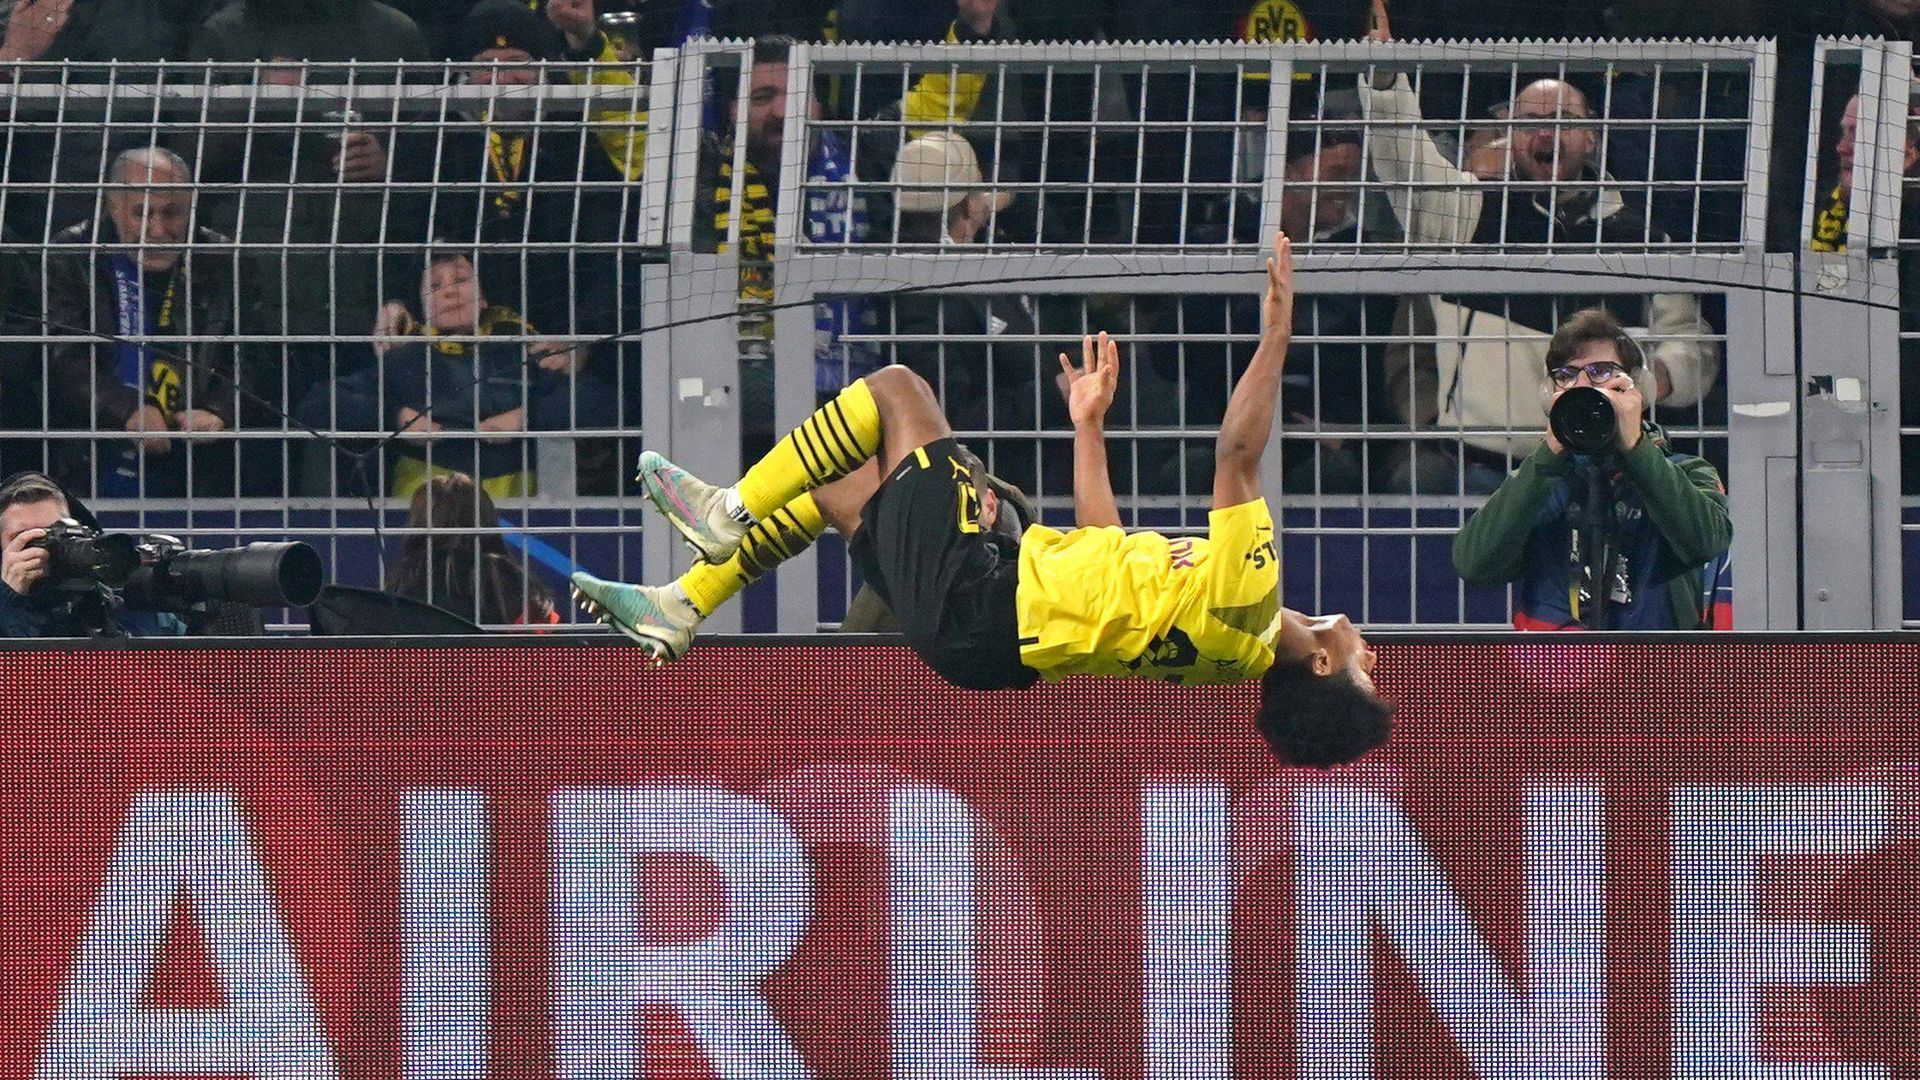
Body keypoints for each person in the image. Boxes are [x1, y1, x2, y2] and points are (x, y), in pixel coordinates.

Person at [574, 233, 1395, 768]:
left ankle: (727, 514)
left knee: (899, 393)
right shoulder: (1223, 649)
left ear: (1322, 663)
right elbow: (1104, 543)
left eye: (1365, 674)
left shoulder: (1251, 607)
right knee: (837, 484)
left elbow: (1237, 454)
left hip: (990, 602)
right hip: (988, 634)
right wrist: (1088, 426)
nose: (1372, 655)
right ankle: (684, 602)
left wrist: (1279, 329)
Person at [1361, 0, 1722, 494]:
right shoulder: (1468, 213)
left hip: (1598, 471)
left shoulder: (1639, 236)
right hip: (1476, 469)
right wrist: (1386, 84)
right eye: (1531, 121)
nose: (1546, 132)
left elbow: (1692, 342)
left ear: (1592, 138)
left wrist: (1651, 379)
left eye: (1563, 119)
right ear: (1510, 135)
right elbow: (1404, 164)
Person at [1452, 308, 1732, 630]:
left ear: (1637, 388)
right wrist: (1550, 455)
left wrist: (1636, 448)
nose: (1583, 386)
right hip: (1562, 674)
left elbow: (1708, 542)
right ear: (1550, 394)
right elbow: (1473, 564)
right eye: (1567, 375)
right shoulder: (1542, 480)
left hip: (1657, 672)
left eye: (1601, 371)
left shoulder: (1689, 473)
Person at [43, 146, 246, 498]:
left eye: (172, 213)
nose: (158, 229)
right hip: (97, 445)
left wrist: (221, 410)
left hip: (199, 450)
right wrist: (126, 409)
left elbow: (259, 352)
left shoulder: (220, 258)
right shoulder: (73, 255)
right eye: (142, 214)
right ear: (113, 207)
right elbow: (62, 357)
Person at [0, 471, 184, 637]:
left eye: (53, 533)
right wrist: (10, 604)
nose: (42, 549)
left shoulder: (118, 603)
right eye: (25, 538)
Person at [387, 471, 559, 626]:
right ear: (486, 517)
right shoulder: (509, 578)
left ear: (419, 522)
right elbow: (548, 639)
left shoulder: (405, 580)